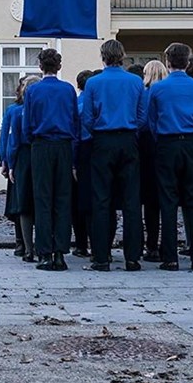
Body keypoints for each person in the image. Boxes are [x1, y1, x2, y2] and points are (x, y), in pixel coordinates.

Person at [82, 40, 146, 272]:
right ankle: (132, 257)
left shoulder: (93, 83)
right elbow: (142, 116)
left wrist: (99, 131)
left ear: (103, 57)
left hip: (103, 140)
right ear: (122, 56)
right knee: (131, 202)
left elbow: (87, 118)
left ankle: (101, 257)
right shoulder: (135, 81)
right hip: (128, 139)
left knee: (101, 200)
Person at [147, 42, 193, 272]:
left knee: (168, 200)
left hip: (167, 142)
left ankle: (170, 257)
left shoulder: (157, 89)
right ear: (188, 61)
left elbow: (151, 120)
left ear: (168, 62)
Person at [23, 49, 78, 272]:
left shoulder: (34, 90)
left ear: (40, 66)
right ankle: (60, 253)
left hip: (41, 145)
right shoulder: (68, 90)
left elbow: (27, 123)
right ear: (59, 66)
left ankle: (44, 252)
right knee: (63, 199)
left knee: (43, 199)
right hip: (63, 145)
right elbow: (75, 121)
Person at [7, 76, 41, 262]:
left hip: (23, 158)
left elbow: (13, 141)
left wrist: (10, 163)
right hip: (40, 153)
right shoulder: (44, 110)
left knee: (24, 205)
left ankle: (28, 248)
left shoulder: (18, 112)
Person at [140, 60, 167, 262]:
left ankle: (151, 244)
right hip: (165, 144)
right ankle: (166, 243)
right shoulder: (166, 91)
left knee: (149, 202)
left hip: (145, 147)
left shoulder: (146, 93)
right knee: (165, 199)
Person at [0, 78, 25, 256]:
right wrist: (3, 159)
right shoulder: (13, 110)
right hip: (16, 158)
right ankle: (21, 241)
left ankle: (24, 243)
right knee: (18, 202)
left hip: (21, 158)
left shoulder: (16, 110)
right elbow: (5, 136)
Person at [72, 70, 94, 259]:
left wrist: (73, 162)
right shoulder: (96, 101)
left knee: (80, 201)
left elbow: (75, 136)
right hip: (99, 149)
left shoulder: (77, 105)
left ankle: (81, 245)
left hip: (82, 153)